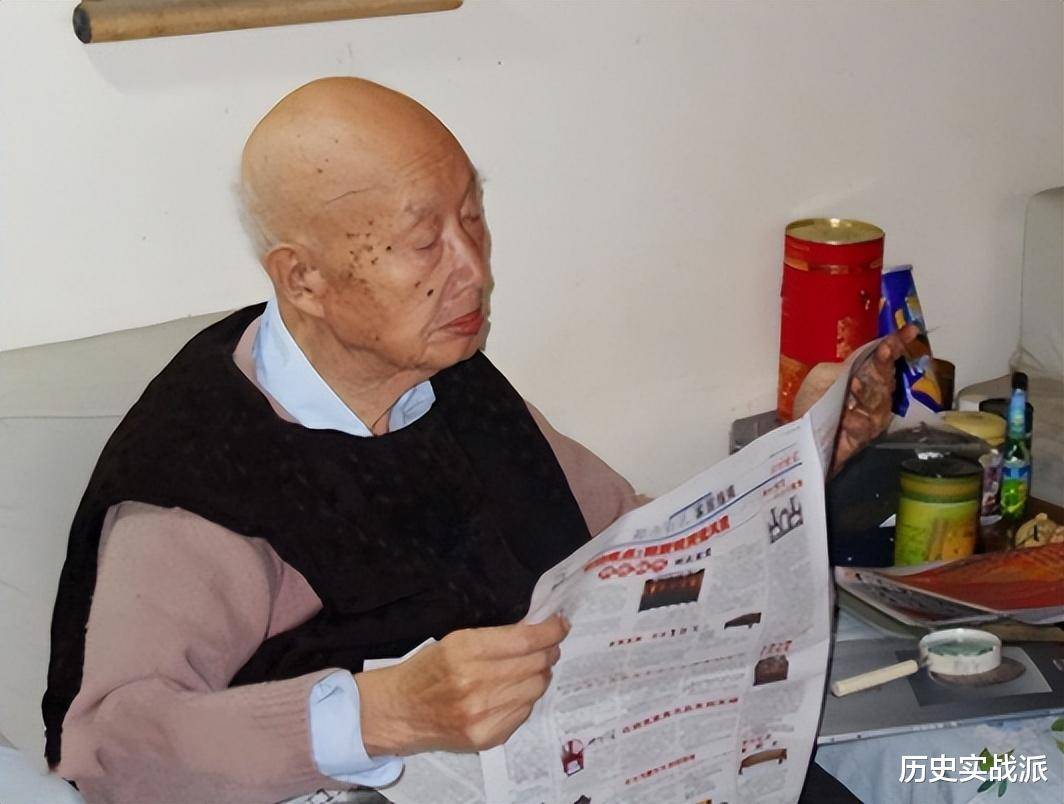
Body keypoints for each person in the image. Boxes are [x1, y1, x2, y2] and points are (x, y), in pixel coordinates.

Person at [43, 77, 915, 804]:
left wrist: (802, 452)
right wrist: (382, 713)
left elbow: (632, 541)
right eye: (425, 242)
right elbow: (112, 750)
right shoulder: (203, 470)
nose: (474, 271)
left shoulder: (444, 376)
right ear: (302, 278)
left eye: (473, 219)